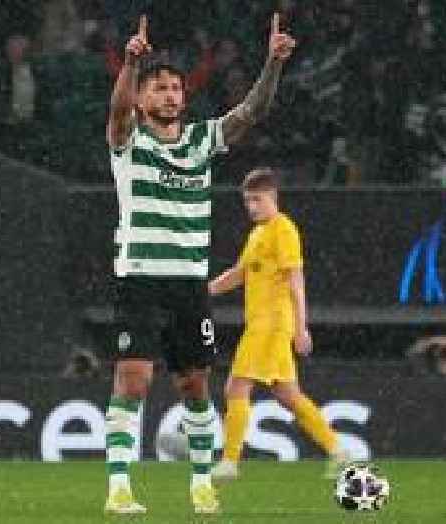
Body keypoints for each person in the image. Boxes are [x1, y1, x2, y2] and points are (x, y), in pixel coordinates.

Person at [104, 13, 295, 515]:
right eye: (159, 88)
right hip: (141, 279)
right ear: (142, 99)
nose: (170, 95)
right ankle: (119, 486)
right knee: (134, 380)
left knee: (194, 386)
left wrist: (273, 63)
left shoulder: (201, 141)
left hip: (189, 285)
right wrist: (130, 64)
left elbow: (252, 111)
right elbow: (117, 112)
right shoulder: (130, 142)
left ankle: (201, 484)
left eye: (175, 88)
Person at [208, 168, 350, 481]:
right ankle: (338, 451)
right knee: (288, 394)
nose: (251, 207)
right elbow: (238, 274)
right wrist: (203, 291)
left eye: (257, 200)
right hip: (263, 324)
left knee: (236, 386)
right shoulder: (257, 234)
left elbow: (296, 281)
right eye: (248, 201)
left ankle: (230, 461)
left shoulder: (283, 230)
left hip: (271, 324)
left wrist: (301, 327)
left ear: (273, 197)